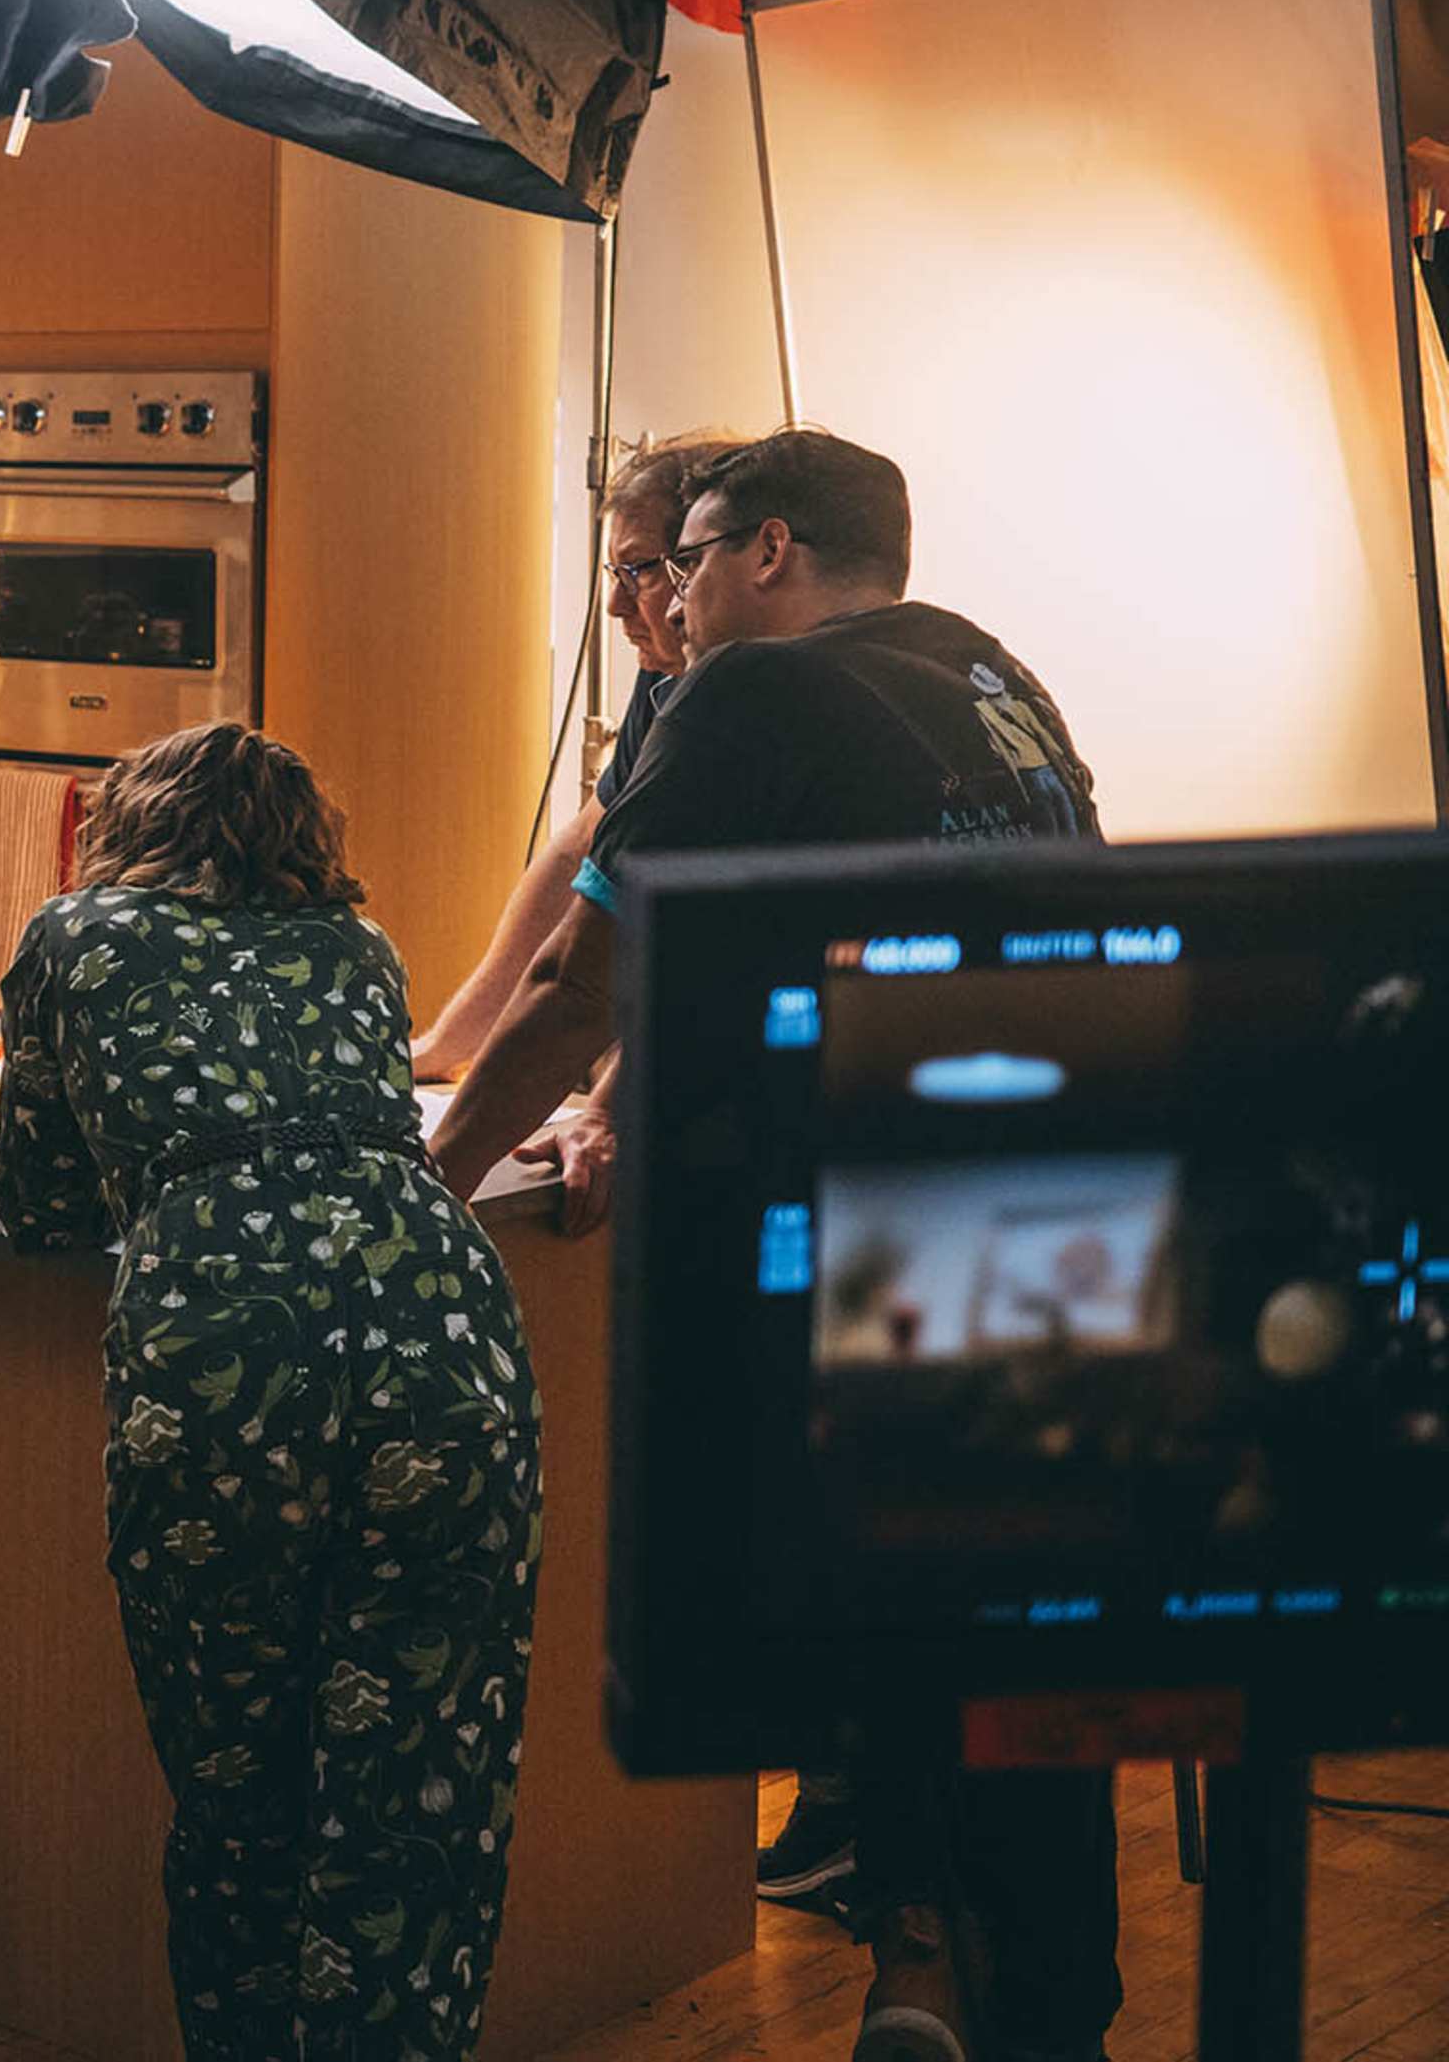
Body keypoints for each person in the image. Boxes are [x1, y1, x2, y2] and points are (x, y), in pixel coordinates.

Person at [428, 428, 1114, 2062]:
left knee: (886, 1597)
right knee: (1017, 1637)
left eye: (687, 558)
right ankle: (987, 1985)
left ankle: (939, 1960)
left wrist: (423, 1179)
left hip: (896, 1204)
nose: (665, 596)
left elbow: (590, 975)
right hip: (1073, 1209)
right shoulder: (990, 672)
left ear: (766, 550)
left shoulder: (757, 692)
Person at [0, 721, 541, 2062]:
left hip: (229, 1361)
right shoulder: (361, 951)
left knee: (245, 1788)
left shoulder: (71, 937)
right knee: (421, 1790)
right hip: (446, 1333)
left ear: (126, 825)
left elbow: (42, 1202)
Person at [414, 431, 737, 1090]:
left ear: (699, 569)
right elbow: (580, 851)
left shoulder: (740, 700)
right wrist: (445, 1045)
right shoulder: (666, 673)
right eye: (613, 574)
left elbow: (702, 946)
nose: (617, 604)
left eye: (638, 569)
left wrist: (608, 1106)